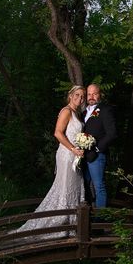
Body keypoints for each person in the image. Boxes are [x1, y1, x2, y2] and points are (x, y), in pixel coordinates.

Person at [15, 85, 86, 239]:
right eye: (77, 95)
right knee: (65, 187)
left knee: (74, 187)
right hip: (67, 154)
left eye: (82, 96)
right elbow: (58, 133)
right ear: (70, 95)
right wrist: (73, 149)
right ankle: (59, 224)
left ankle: (71, 225)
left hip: (76, 155)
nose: (80, 98)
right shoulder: (66, 111)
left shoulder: (77, 113)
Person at [82, 83, 116, 208]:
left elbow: (112, 134)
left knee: (99, 187)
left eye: (94, 93)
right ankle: (88, 218)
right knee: (84, 185)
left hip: (97, 155)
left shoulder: (105, 110)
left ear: (100, 94)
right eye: (89, 94)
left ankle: (100, 223)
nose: (91, 97)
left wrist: (97, 149)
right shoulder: (84, 112)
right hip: (84, 155)